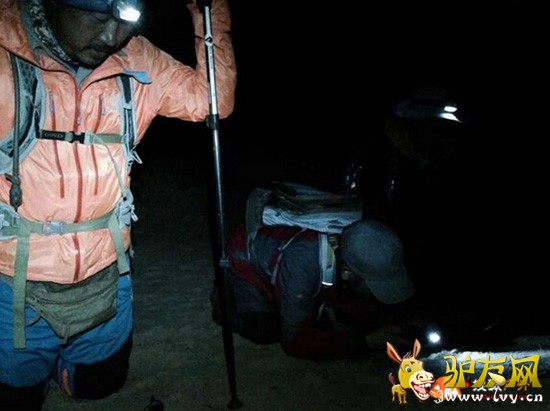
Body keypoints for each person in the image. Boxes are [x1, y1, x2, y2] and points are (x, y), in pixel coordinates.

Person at [0, 0, 236, 409]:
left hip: (107, 271)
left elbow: (211, 101)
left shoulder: (137, 58)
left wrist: (209, 11)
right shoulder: (6, 54)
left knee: (100, 386)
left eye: (124, 20)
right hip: (12, 282)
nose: (111, 36)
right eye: (96, 17)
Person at [212, 209, 416, 360]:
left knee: (334, 314)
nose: (374, 293)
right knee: (267, 331)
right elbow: (294, 343)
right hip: (246, 258)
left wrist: (386, 322)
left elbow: (348, 295)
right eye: (374, 286)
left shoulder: (353, 242)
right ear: (347, 274)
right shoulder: (302, 264)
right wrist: (364, 341)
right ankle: (224, 298)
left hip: (294, 259)